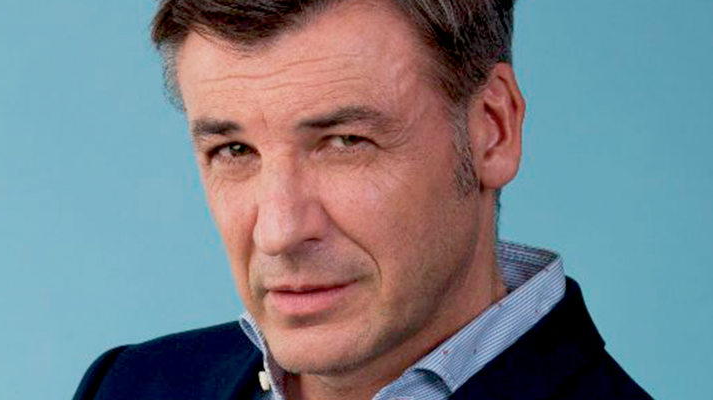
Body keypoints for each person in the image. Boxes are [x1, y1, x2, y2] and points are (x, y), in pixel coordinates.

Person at [73, 0, 653, 399]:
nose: (279, 232)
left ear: (492, 131)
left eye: (345, 142)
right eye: (234, 150)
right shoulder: (128, 386)